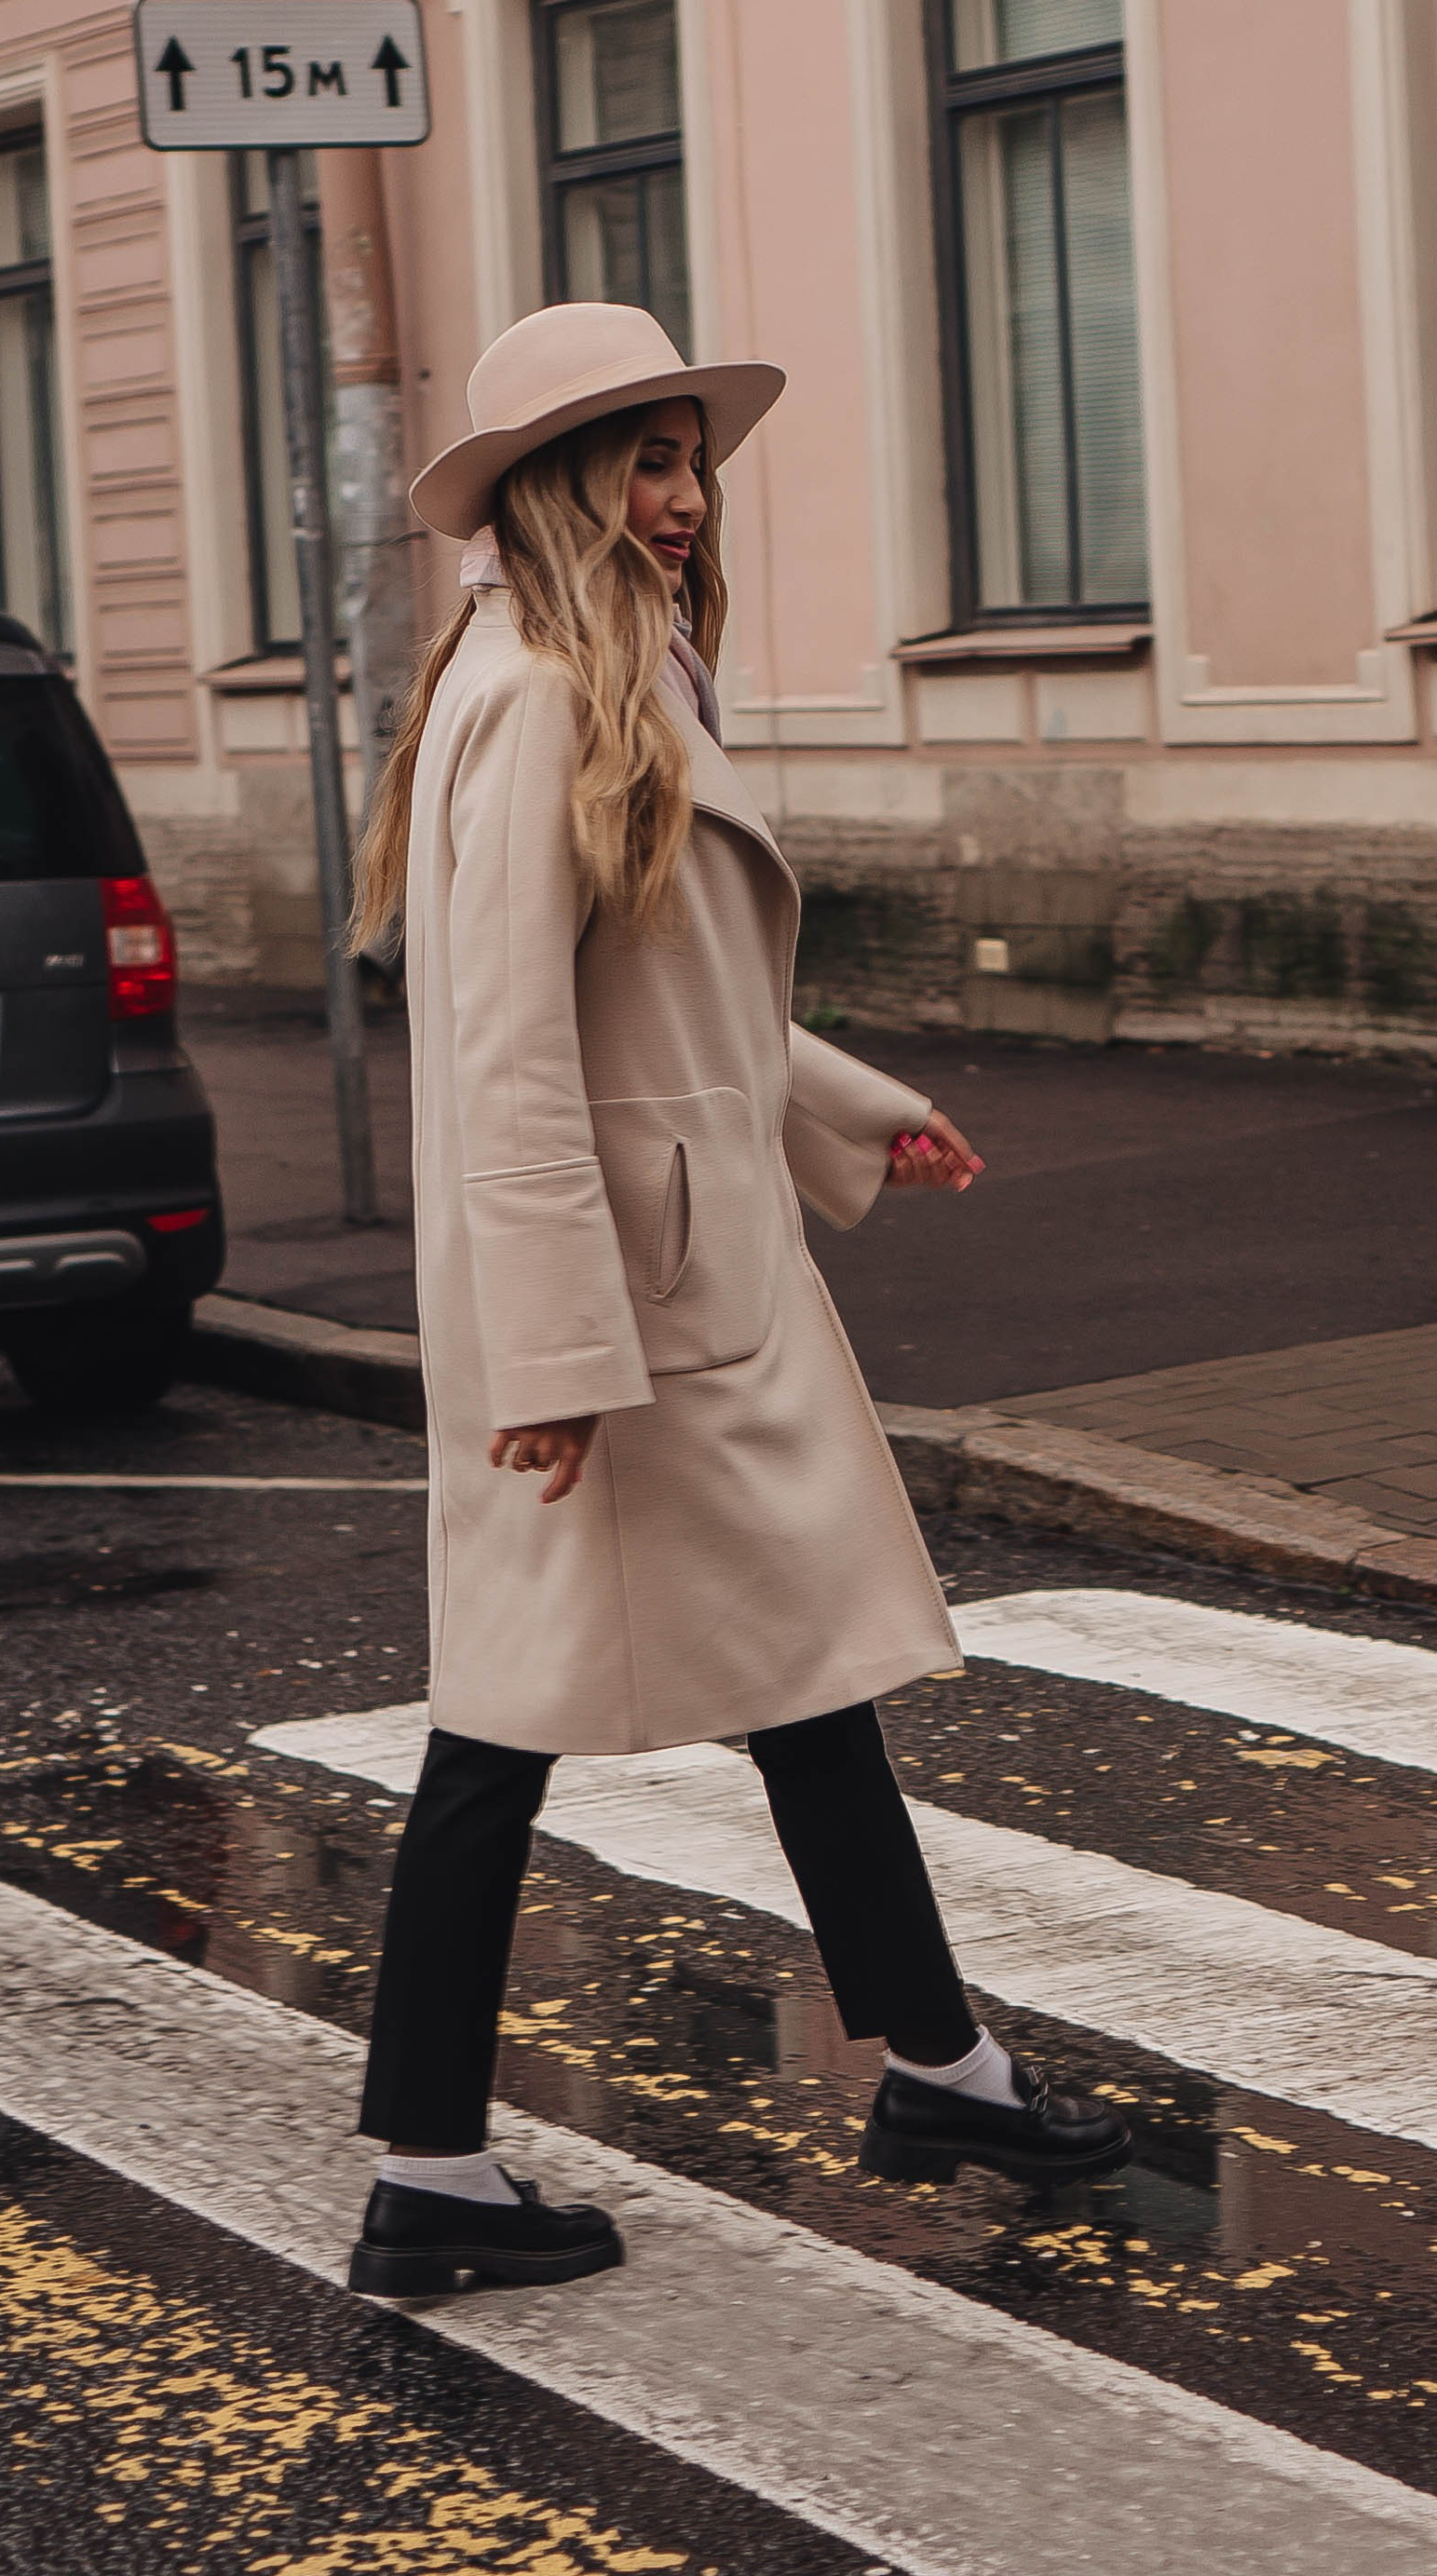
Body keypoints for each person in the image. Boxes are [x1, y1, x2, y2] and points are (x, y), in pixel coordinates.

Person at [340, 301, 1128, 2300]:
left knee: (799, 1678)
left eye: (691, 458)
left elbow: (674, 1003)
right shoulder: (530, 694)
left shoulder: (612, 680)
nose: (683, 499)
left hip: (677, 1277)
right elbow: (506, 1051)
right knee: (502, 1728)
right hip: (624, 1311)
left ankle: (939, 2061)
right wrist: (550, 1360)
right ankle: (427, 2171)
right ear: (554, 486)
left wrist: (853, 1105)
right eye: (644, 461)